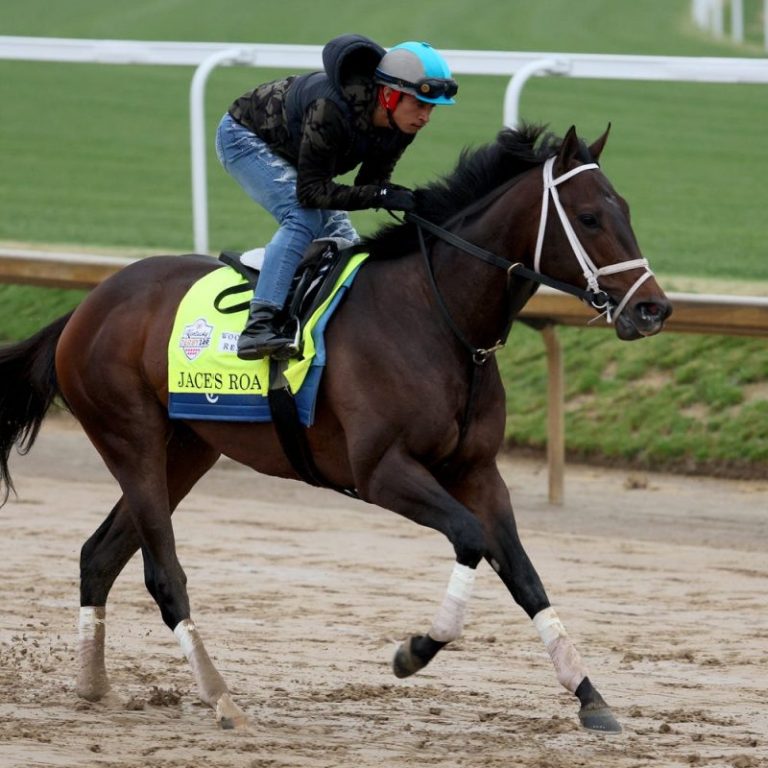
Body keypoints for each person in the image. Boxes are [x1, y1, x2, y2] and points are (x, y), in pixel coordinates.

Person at [215, 34, 458, 360]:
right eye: (420, 104)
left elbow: (370, 185)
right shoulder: (331, 108)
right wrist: (381, 194)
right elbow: (312, 192)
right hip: (243, 137)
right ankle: (259, 326)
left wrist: (406, 201)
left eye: (431, 108)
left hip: (299, 153)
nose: (425, 117)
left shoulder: (402, 127)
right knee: (302, 216)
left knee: (346, 241)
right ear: (388, 94)